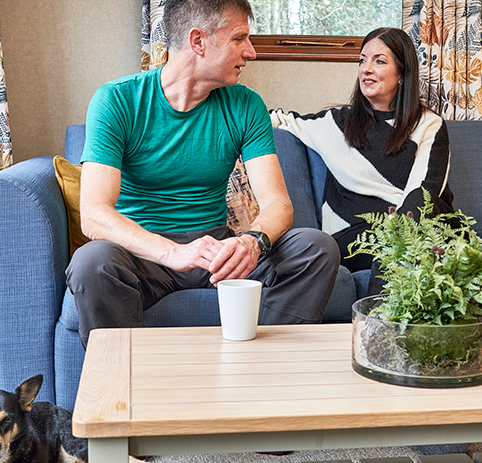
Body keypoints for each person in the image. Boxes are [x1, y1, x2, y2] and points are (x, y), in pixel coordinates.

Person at [66, 0, 340, 348]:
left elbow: (278, 204)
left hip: (219, 252)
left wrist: (250, 242)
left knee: (317, 248)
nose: (251, 52)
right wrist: (172, 253)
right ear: (198, 41)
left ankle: (264, 369)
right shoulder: (117, 101)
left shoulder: (246, 104)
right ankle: (128, 384)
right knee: (92, 262)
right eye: (239, 38)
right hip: (144, 254)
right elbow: (94, 215)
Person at [269, 27, 453, 293]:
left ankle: (381, 328)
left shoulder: (427, 124)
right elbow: (277, 119)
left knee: (416, 218)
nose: (366, 69)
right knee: (395, 245)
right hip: (354, 236)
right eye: (362, 60)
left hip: (415, 226)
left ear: (402, 74)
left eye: (379, 61)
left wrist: (398, 233)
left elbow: (424, 191)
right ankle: (379, 330)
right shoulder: (335, 123)